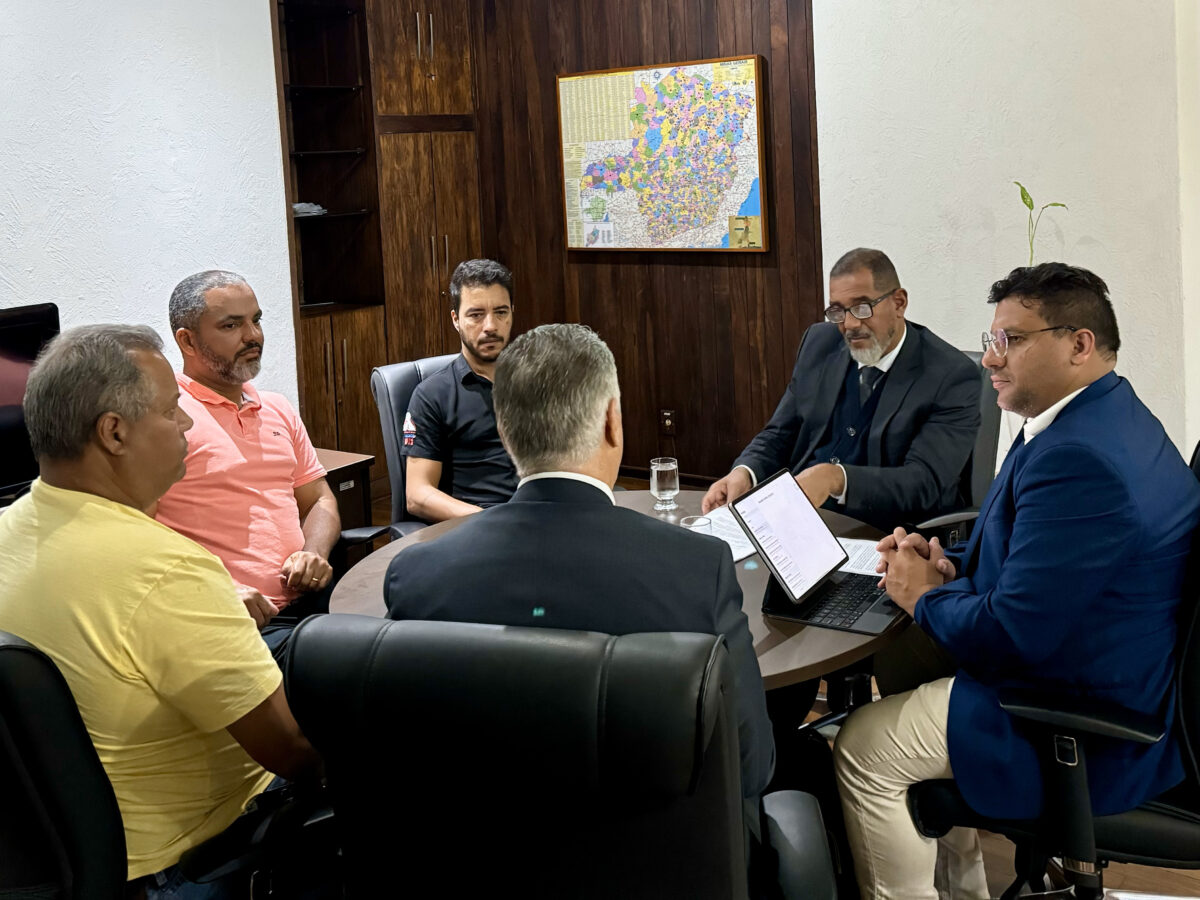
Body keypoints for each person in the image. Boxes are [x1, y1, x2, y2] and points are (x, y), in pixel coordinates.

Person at [833, 263, 1200, 900]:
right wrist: (948, 562)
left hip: (1085, 720)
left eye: (1012, 340)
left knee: (863, 747)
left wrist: (922, 593)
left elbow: (1012, 634)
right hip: (1101, 664)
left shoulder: (1080, 460)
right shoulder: (1103, 414)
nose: (988, 358)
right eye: (992, 337)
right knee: (901, 661)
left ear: (1078, 344)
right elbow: (1033, 545)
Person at [385, 323, 775, 801]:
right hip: (660, 864)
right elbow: (751, 767)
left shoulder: (417, 576)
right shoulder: (698, 569)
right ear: (613, 421)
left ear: (504, 432)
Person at [0, 325, 320, 894]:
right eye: (173, 411)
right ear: (114, 433)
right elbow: (289, 751)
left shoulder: (9, 530)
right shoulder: (165, 568)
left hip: (60, 857)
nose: (188, 425)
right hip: (197, 859)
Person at [702, 248, 980, 532]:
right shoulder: (818, 344)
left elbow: (924, 482)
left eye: (862, 307)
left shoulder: (950, 375)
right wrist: (745, 472)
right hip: (798, 520)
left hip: (887, 534)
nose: (850, 324)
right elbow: (780, 433)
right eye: (837, 311)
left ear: (899, 303)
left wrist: (837, 479)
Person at [155, 270, 340, 649]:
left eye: (256, 320)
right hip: (237, 622)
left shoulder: (276, 407)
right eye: (231, 325)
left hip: (315, 602)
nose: (253, 335)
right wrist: (212, 593)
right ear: (187, 341)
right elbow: (137, 534)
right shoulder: (166, 416)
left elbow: (319, 499)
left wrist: (314, 552)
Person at [402, 258, 518, 523]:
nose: (490, 326)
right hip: (480, 526)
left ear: (512, 312)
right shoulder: (432, 395)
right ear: (456, 319)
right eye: (476, 315)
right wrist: (490, 520)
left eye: (501, 312)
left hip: (542, 516)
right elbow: (417, 494)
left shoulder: (535, 380)